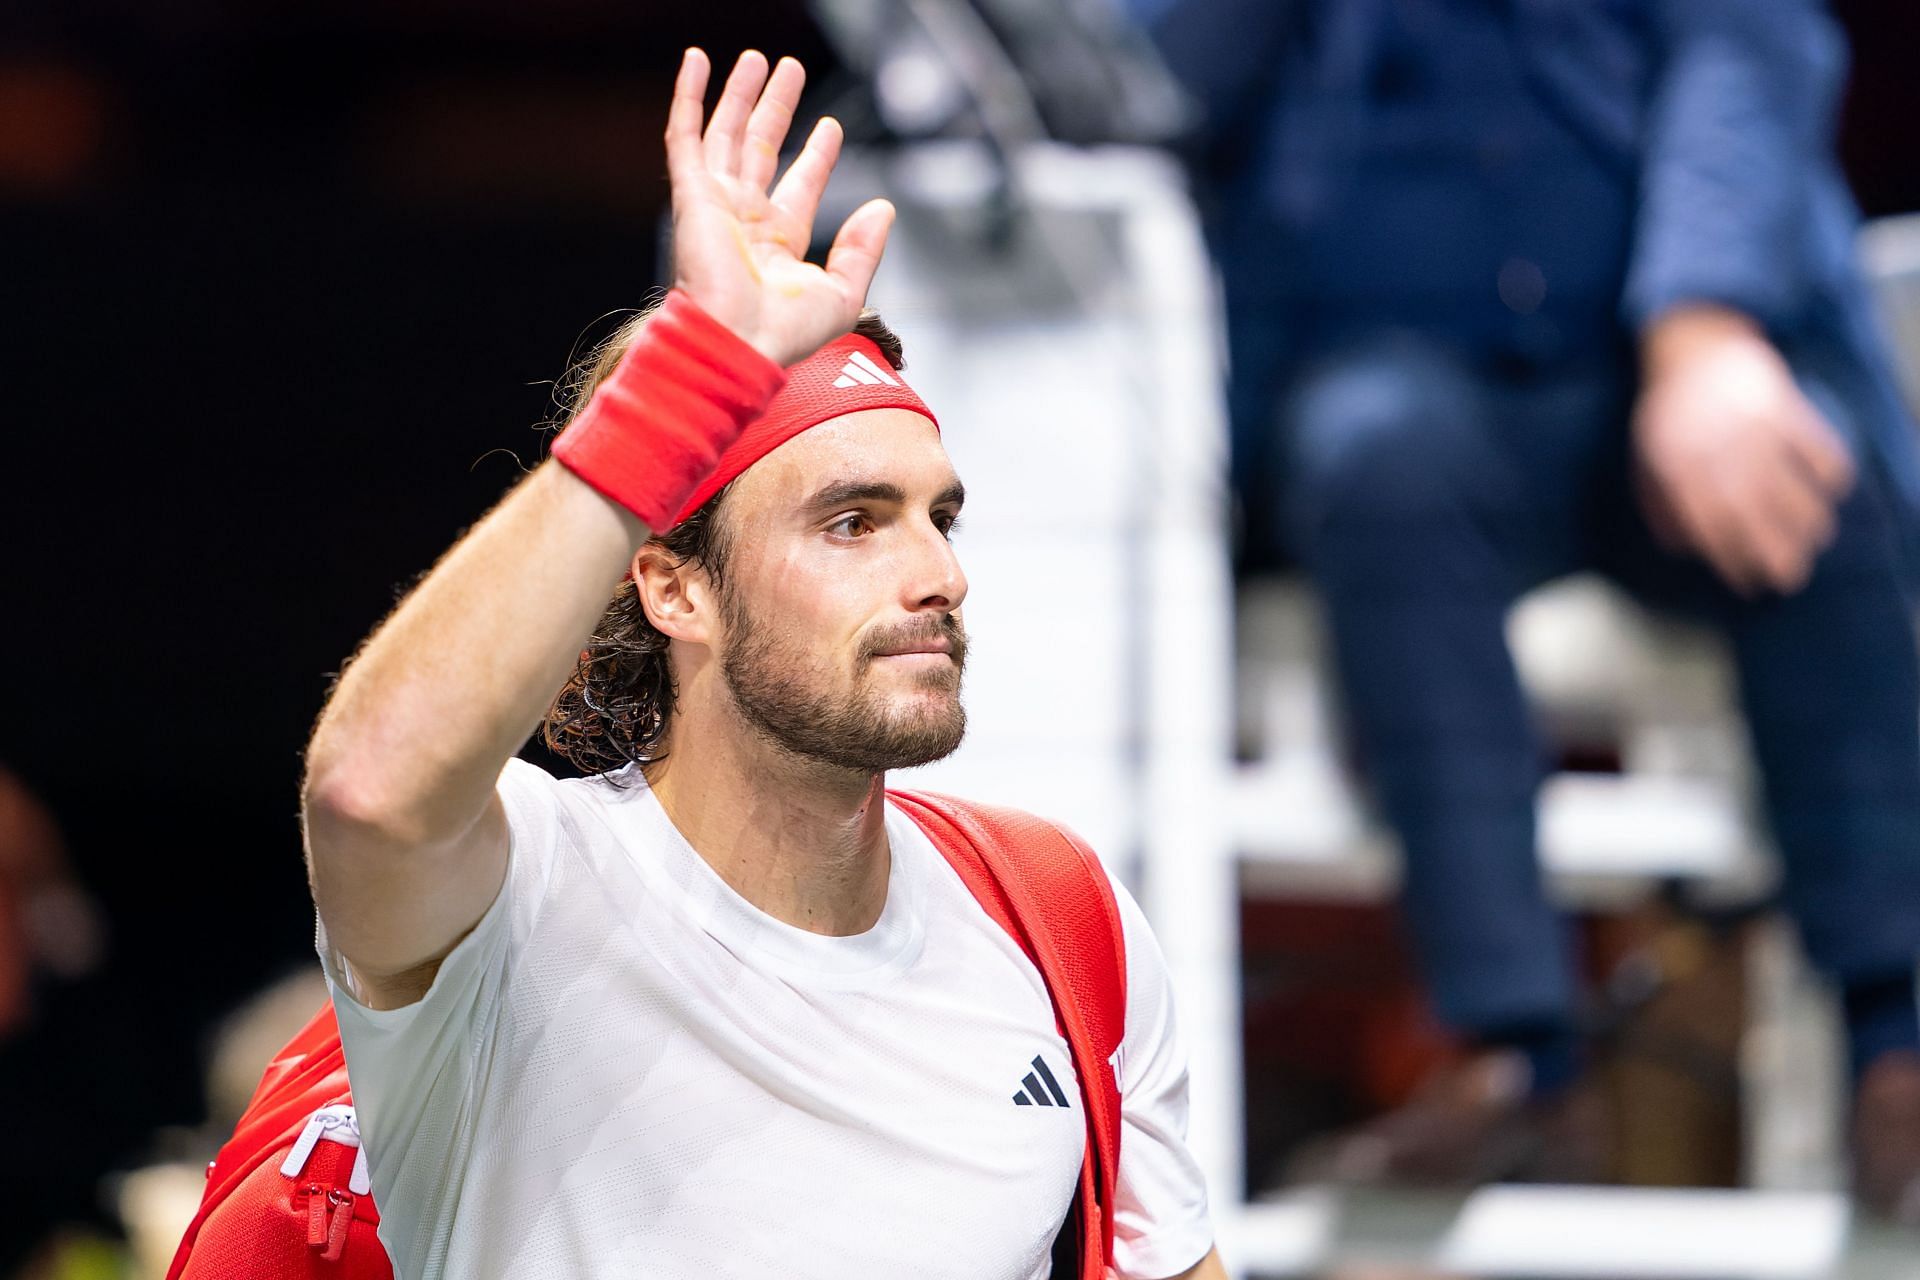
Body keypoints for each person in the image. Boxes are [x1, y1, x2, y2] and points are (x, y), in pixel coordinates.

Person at [300, 47, 1224, 1279]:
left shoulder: (1061, 919)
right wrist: (684, 384)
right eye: (851, 521)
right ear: (675, 584)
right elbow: (366, 788)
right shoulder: (521, 891)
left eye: (935, 518)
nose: (937, 574)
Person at [1128, 0, 1920, 1215]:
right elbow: (1145, 85)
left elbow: (1755, 46)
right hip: (1395, 387)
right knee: (1376, 453)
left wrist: (1703, 324)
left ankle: (1899, 1043)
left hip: (1653, 364)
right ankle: (1513, 1052)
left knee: (1805, 471)